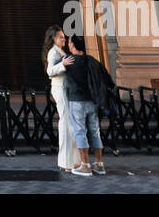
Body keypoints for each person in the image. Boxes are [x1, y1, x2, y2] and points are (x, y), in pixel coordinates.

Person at [64, 35, 114, 176]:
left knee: (80, 131)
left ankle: (85, 165)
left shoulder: (69, 62)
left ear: (73, 45)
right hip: (92, 101)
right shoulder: (92, 60)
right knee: (95, 131)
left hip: (77, 100)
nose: (68, 45)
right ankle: (99, 163)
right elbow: (106, 78)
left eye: (69, 42)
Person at [44, 25, 78, 172]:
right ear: (53, 38)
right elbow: (50, 71)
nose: (63, 39)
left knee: (68, 123)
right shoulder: (53, 52)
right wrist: (63, 64)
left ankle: (71, 161)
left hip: (64, 88)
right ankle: (67, 162)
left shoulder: (59, 51)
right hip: (60, 88)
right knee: (66, 123)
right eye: (60, 37)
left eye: (64, 37)